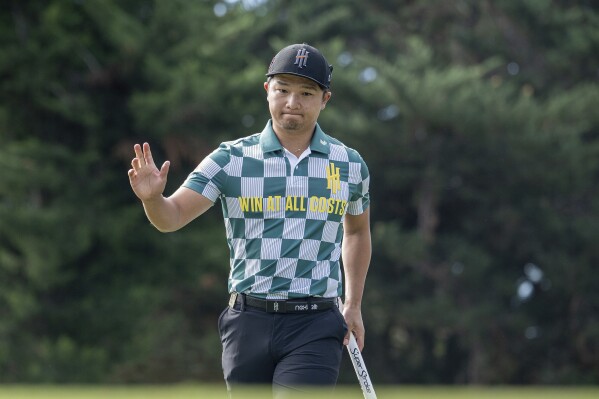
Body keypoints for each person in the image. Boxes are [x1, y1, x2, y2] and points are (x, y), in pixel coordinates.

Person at [128, 43, 371, 396]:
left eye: (306, 93)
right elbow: (172, 217)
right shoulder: (230, 158)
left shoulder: (349, 164)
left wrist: (353, 305)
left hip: (315, 321)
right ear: (266, 90)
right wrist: (153, 200)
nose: (293, 102)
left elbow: (358, 232)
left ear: (325, 99)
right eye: (283, 90)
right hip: (247, 320)